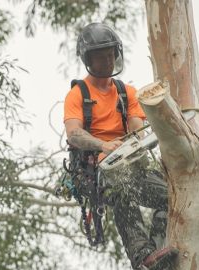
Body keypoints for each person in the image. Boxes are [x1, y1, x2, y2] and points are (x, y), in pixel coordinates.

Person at [63, 22, 178, 270]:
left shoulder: (127, 93)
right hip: (93, 172)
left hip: (129, 165)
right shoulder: (78, 94)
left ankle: (158, 252)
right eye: (100, 57)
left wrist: (137, 141)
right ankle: (142, 257)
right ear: (88, 60)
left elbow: (136, 129)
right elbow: (74, 134)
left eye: (110, 55)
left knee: (173, 197)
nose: (107, 61)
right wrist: (103, 145)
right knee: (121, 190)